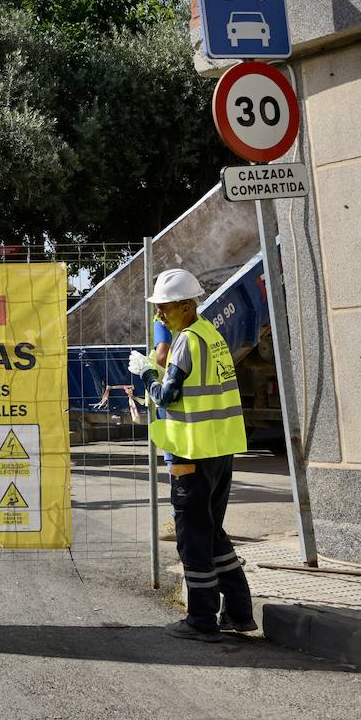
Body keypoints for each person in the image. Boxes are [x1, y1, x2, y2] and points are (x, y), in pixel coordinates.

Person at [130, 269, 255, 642]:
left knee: (193, 537)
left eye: (164, 309)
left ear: (186, 306)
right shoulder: (212, 335)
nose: (159, 317)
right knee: (212, 532)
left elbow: (167, 396)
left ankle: (202, 620)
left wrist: (149, 374)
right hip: (219, 450)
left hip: (192, 453)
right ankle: (239, 610)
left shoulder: (185, 340)